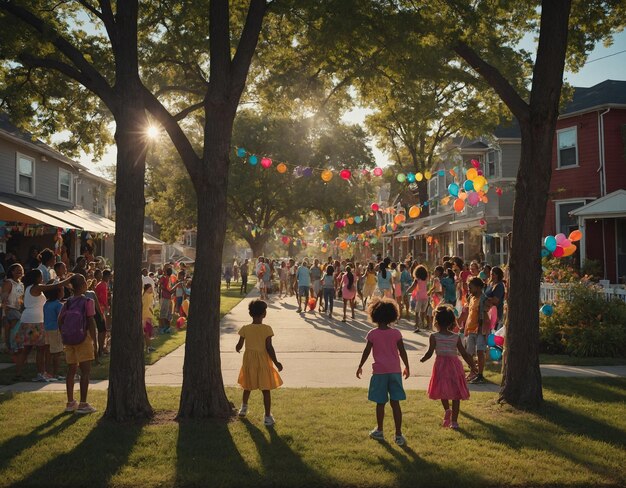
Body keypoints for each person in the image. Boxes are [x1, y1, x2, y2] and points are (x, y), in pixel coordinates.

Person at [356, 298, 410, 446]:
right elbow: (402, 351)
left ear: (374, 315)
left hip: (379, 372)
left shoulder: (372, 334)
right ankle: (398, 435)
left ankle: (379, 430)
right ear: (392, 315)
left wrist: (360, 365)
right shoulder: (396, 333)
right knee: (395, 402)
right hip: (394, 371)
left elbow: (366, 351)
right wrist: (407, 366)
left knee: (380, 402)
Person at [420, 305, 476, 429]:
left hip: (440, 366)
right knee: (456, 394)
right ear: (451, 321)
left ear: (436, 321)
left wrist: (423, 359)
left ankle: (447, 410)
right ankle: (454, 422)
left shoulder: (434, 336)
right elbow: (464, 353)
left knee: (442, 390)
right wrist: (472, 365)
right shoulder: (456, 337)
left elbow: (429, 352)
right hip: (454, 366)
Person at [235, 300, 283, 426]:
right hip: (263, 361)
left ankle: (243, 408)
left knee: (247, 386)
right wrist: (276, 362)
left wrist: (238, 348)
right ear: (264, 314)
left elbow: (239, 345)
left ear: (251, 314)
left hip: (249, 361)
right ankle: (267, 416)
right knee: (265, 389)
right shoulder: (267, 329)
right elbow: (269, 348)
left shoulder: (245, 329)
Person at [59, 274, 98, 414]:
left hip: (69, 340)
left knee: (71, 371)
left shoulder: (67, 302)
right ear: (83, 285)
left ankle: (70, 403)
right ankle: (83, 403)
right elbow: (91, 322)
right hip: (83, 339)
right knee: (85, 371)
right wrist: (95, 341)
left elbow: (60, 320)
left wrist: (63, 334)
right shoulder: (88, 301)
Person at [459, 277, 490, 384]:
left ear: (478, 287)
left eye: (470, 287)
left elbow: (485, 315)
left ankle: (480, 374)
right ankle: (473, 371)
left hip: (480, 330)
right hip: (471, 329)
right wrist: (465, 327)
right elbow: (468, 314)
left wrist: (483, 329)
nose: (469, 289)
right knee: (468, 353)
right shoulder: (471, 298)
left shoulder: (483, 299)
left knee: (480, 351)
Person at [43, 284, 65, 381]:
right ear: (58, 293)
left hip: (46, 330)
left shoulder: (46, 304)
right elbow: (61, 319)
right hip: (56, 330)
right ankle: (55, 373)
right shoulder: (59, 305)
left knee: (48, 353)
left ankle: (47, 372)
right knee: (57, 353)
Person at [2, 264, 24, 360]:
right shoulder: (9, 282)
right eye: (17, 270)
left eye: (21, 270)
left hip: (17, 309)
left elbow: (21, 299)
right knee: (11, 330)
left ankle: (13, 347)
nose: (19, 271)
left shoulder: (21, 284)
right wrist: (4, 311)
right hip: (9, 309)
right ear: (12, 272)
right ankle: (12, 347)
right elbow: (4, 297)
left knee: (14, 330)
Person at [407, 265, 429, 331]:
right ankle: (422, 323)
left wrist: (407, 291)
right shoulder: (426, 279)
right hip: (425, 297)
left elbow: (412, 287)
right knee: (423, 311)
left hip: (419, 297)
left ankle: (417, 325)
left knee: (417, 312)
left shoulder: (417, 280)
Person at [485, 267, 505, 331]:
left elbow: (496, 300)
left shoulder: (500, 285)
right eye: (491, 274)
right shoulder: (489, 284)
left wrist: (485, 299)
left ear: (498, 275)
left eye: (493, 274)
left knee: (494, 331)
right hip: (487, 311)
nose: (491, 275)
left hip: (496, 312)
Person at [158, 267, 174, 333]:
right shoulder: (164, 278)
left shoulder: (167, 278)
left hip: (167, 298)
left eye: (165, 270)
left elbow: (161, 286)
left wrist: (170, 292)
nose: (163, 270)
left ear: (166, 272)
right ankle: (163, 328)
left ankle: (166, 328)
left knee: (166, 313)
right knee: (163, 313)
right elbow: (160, 286)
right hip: (165, 297)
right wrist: (169, 292)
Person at [142, 284, 156, 352]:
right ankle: (148, 347)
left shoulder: (147, 295)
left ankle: (148, 347)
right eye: (150, 289)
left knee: (148, 332)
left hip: (148, 315)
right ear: (146, 289)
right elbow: (145, 307)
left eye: (151, 288)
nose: (151, 290)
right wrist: (146, 319)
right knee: (147, 332)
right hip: (146, 316)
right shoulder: (146, 296)